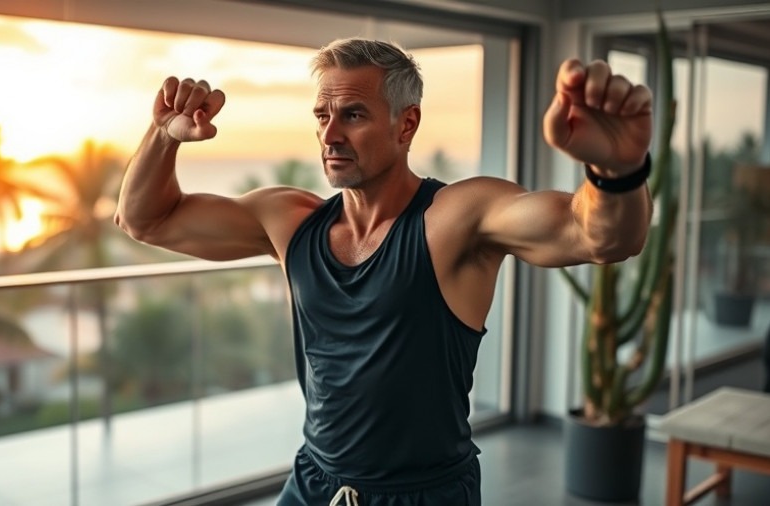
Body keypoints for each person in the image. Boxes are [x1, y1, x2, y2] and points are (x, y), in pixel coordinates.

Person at [115, 37, 653, 506]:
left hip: (425, 493)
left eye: (352, 115)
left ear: (406, 123)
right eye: (322, 116)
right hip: (315, 481)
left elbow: (599, 235)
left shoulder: (454, 220)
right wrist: (163, 134)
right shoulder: (289, 220)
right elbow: (145, 220)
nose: (329, 136)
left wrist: (618, 170)